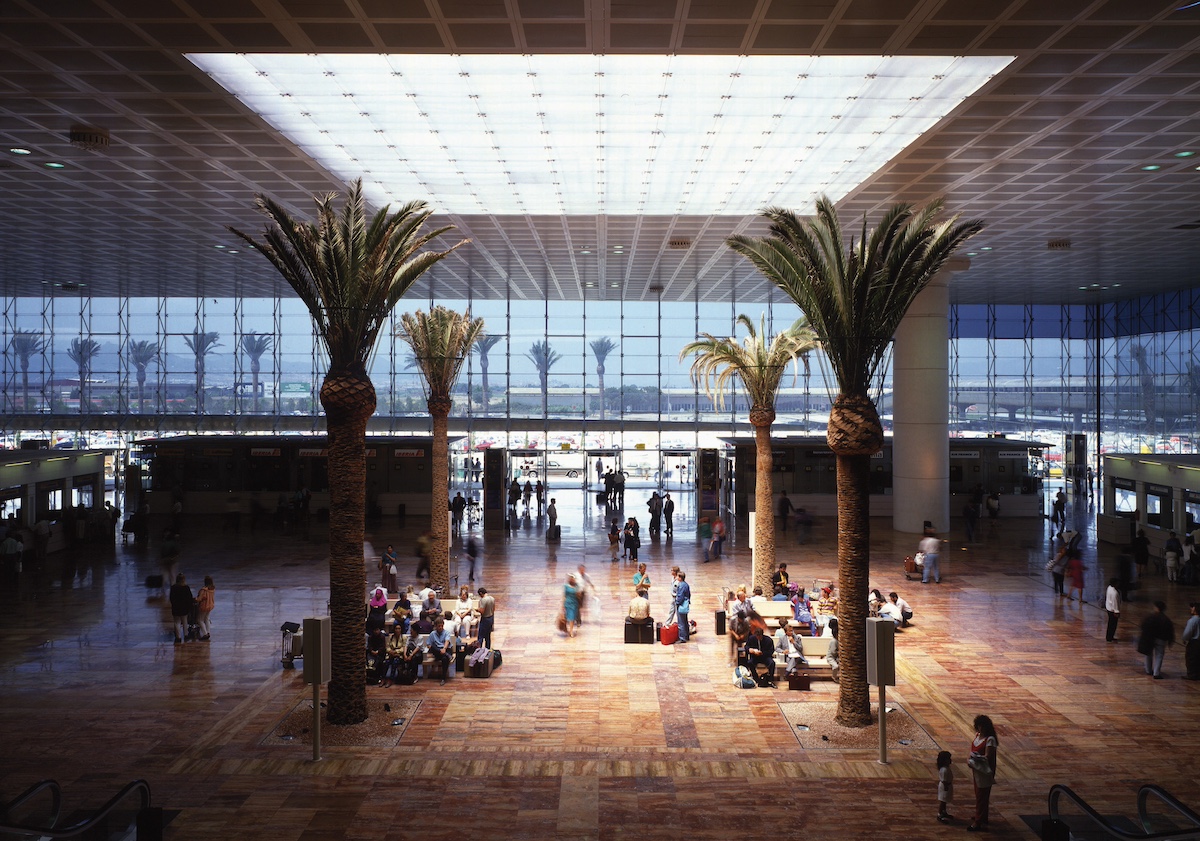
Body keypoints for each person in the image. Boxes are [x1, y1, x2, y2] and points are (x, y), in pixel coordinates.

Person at [967, 714, 998, 832]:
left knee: (982, 795)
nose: (980, 729)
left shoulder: (990, 740)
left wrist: (976, 758)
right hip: (977, 769)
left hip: (984, 771)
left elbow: (988, 756)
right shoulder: (978, 736)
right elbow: (971, 750)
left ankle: (978, 821)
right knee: (979, 794)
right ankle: (982, 816)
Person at [1138, 600, 1175, 679]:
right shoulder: (1166, 619)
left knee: (1148, 654)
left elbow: (1143, 626)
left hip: (1150, 638)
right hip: (1161, 640)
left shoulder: (1150, 617)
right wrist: (1170, 641)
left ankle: (1148, 670)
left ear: (1156, 608)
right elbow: (1170, 631)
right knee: (1159, 655)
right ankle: (1156, 673)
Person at [426, 617, 454, 684]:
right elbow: (428, 645)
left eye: (442, 626)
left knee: (444, 658)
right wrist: (439, 650)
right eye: (439, 626)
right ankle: (448, 656)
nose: (440, 627)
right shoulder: (433, 634)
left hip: (446, 649)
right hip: (437, 651)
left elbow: (447, 641)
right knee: (433, 647)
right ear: (435, 626)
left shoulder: (446, 633)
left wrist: (444, 649)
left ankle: (443, 678)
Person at [169, 573, 194, 644]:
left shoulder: (173, 587)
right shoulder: (186, 587)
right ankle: (186, 635)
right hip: (184, 607)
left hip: (176, 607)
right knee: (185, 621)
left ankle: (178, 637)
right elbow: (189, 598)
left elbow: (171, 598)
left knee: (177, 622)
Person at [381, 623, 407, 687]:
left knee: (395, 662)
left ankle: (391, 679)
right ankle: (383, 678)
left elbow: (404, 647)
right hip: (391, 655)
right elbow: (387, 647)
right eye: (396, 628)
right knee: (386, 662)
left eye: (399, 629)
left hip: (399, 656)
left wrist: (396, 652)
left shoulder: (404, 637)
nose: (397, 630)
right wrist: (390, 651)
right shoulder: (391, 637)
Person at [1182, 602, 1200, 680]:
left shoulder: (1193, 620)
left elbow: (1188, 632)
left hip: (1194, 642)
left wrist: (1184, 638)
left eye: (1193, 607)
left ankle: (1192, 675)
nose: (1191, 609)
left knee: (1191, 659)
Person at [195, 575, 215, 641]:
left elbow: (199, 599)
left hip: (203, 606)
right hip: (210, 606)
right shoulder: (212, 589)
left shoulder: (203, 590)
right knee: (207, 619)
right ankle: (208, 632)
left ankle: (205, 633)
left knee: (200, 620)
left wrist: (196, 599)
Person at [562, 573, 581, 638]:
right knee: (568, 617)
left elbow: (579, 594)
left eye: (574, 579)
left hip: (574, 604)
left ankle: (571, 631)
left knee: (572, 618)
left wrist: (578, 594)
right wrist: (562, 605)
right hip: (568, 603)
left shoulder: (577, 586)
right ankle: (568, 629)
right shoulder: (566, 586)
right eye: (571, 579)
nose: (573, 580)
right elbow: (564, 596)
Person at [674, 570, 691, 643]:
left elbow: (680, 596)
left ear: (680, 577)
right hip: (685, 604)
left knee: (681, 622)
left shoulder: (681, 585)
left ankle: (682, 637)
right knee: (685, 620)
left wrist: (677, 602)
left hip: (681, 605)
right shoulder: (686, 584)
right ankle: (686, 635)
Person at [1104, 578, 1121, 643]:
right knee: (1113, 625)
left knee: (1110, 624)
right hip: (1112, 610)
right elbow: (1115, 603)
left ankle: (1109, 637)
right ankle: (1110, 637)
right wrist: (1117, 612)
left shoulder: (1109, 588)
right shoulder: (1115, 593)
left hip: (1108, 608)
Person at [825, 617, 840, 682]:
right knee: (836, 666)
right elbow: (833, 652)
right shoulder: (833, 641)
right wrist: (838, 652)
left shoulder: (838, 641)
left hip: (836, 657)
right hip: (831, 657)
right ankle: (834, 677)